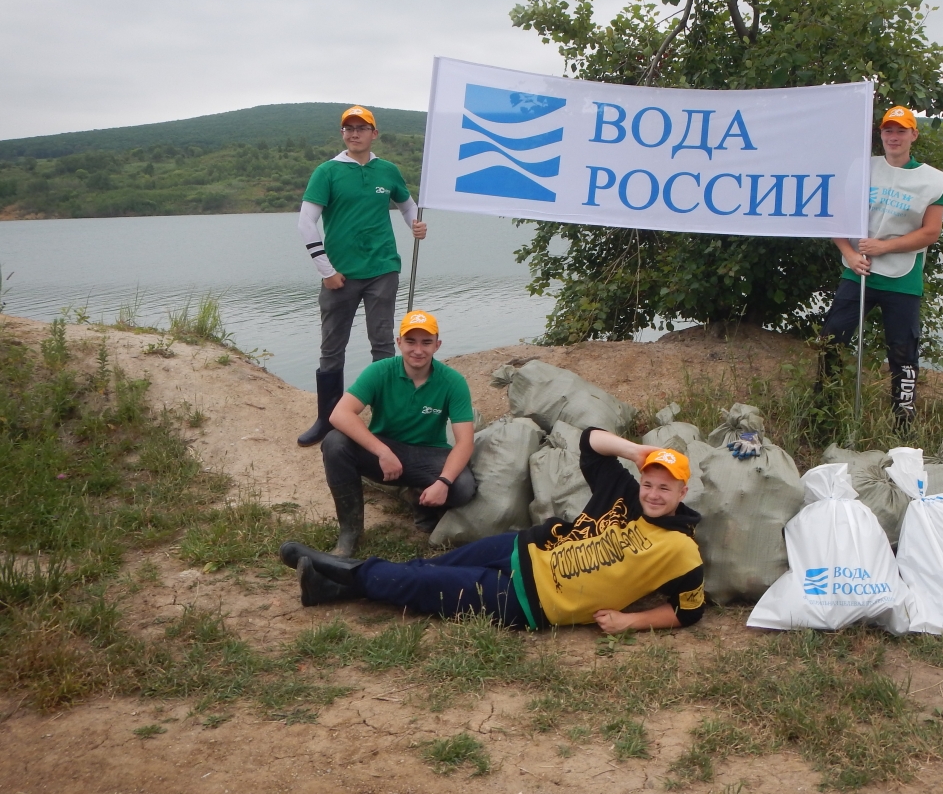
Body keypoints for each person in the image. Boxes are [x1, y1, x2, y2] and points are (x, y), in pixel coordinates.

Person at [279, 428, 705, 634]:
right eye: (649, 482)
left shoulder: (682, 551)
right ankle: (327, 589)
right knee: (427, 570)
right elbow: (590, 440)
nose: (652, 494)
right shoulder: (626, 491)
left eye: (664, 488)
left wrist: (630, 622)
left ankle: (336, 568)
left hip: (530, 600)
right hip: (524, 548)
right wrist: (636, 452)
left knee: (421, 583)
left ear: (683, 491)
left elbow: (689, 613)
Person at [296, 105, 428, 447]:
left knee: (383, 345)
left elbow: (407, 204)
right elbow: (306, 222)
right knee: (332, 348)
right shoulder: (327, 172)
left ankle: (385, 421)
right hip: (339, 274)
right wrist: (326, 270)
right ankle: (327, 420)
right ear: (343, 134)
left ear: (374, 133)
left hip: (383, 269)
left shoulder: (388, 171)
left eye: (361, 127)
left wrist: (415, 225)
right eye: (348, 128)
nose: (354, 133)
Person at [820, 105, 943, 426]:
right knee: (832, 338)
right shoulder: (860, 169)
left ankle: (902, 418)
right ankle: (823, 408)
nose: (893, 137)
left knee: (902, 351)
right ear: (880, 134)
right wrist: (850, 255)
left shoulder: (935, 181)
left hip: (902, 277)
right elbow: (835, 217)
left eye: (901, 130)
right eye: (888, 130)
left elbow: (930, 232)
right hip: (858, 271)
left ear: (913, 135)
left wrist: (885, 246)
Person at [321, 309, 476, 556]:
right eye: (410, 341)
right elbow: (339, 414)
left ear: (437, 345)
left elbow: (465, 441)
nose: (418, 350)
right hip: (385, 453)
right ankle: (350, 532)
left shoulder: (453, 382)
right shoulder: (380, 371)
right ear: (398, 342)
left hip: (428, 453)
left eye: (426, 342)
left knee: (463, 487)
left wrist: (444, 481)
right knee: (334, 442)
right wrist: (382, 451)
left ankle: (417, 497)